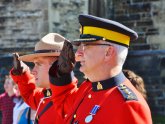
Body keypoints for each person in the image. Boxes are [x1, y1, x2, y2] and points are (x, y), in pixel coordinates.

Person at [49, 14, 152, 124]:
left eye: (86, 45)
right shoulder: (87, 88)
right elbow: (63, 106)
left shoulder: (129, 105)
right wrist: (61, 74)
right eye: (79, 46)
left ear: (108, 52)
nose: (77, 54)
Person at [10, 33, 68, 124]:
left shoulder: (73, 99)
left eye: (39, 64)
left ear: (57, 66)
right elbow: (29, 94)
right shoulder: (45, 95)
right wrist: (22, 73)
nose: (33, 71)